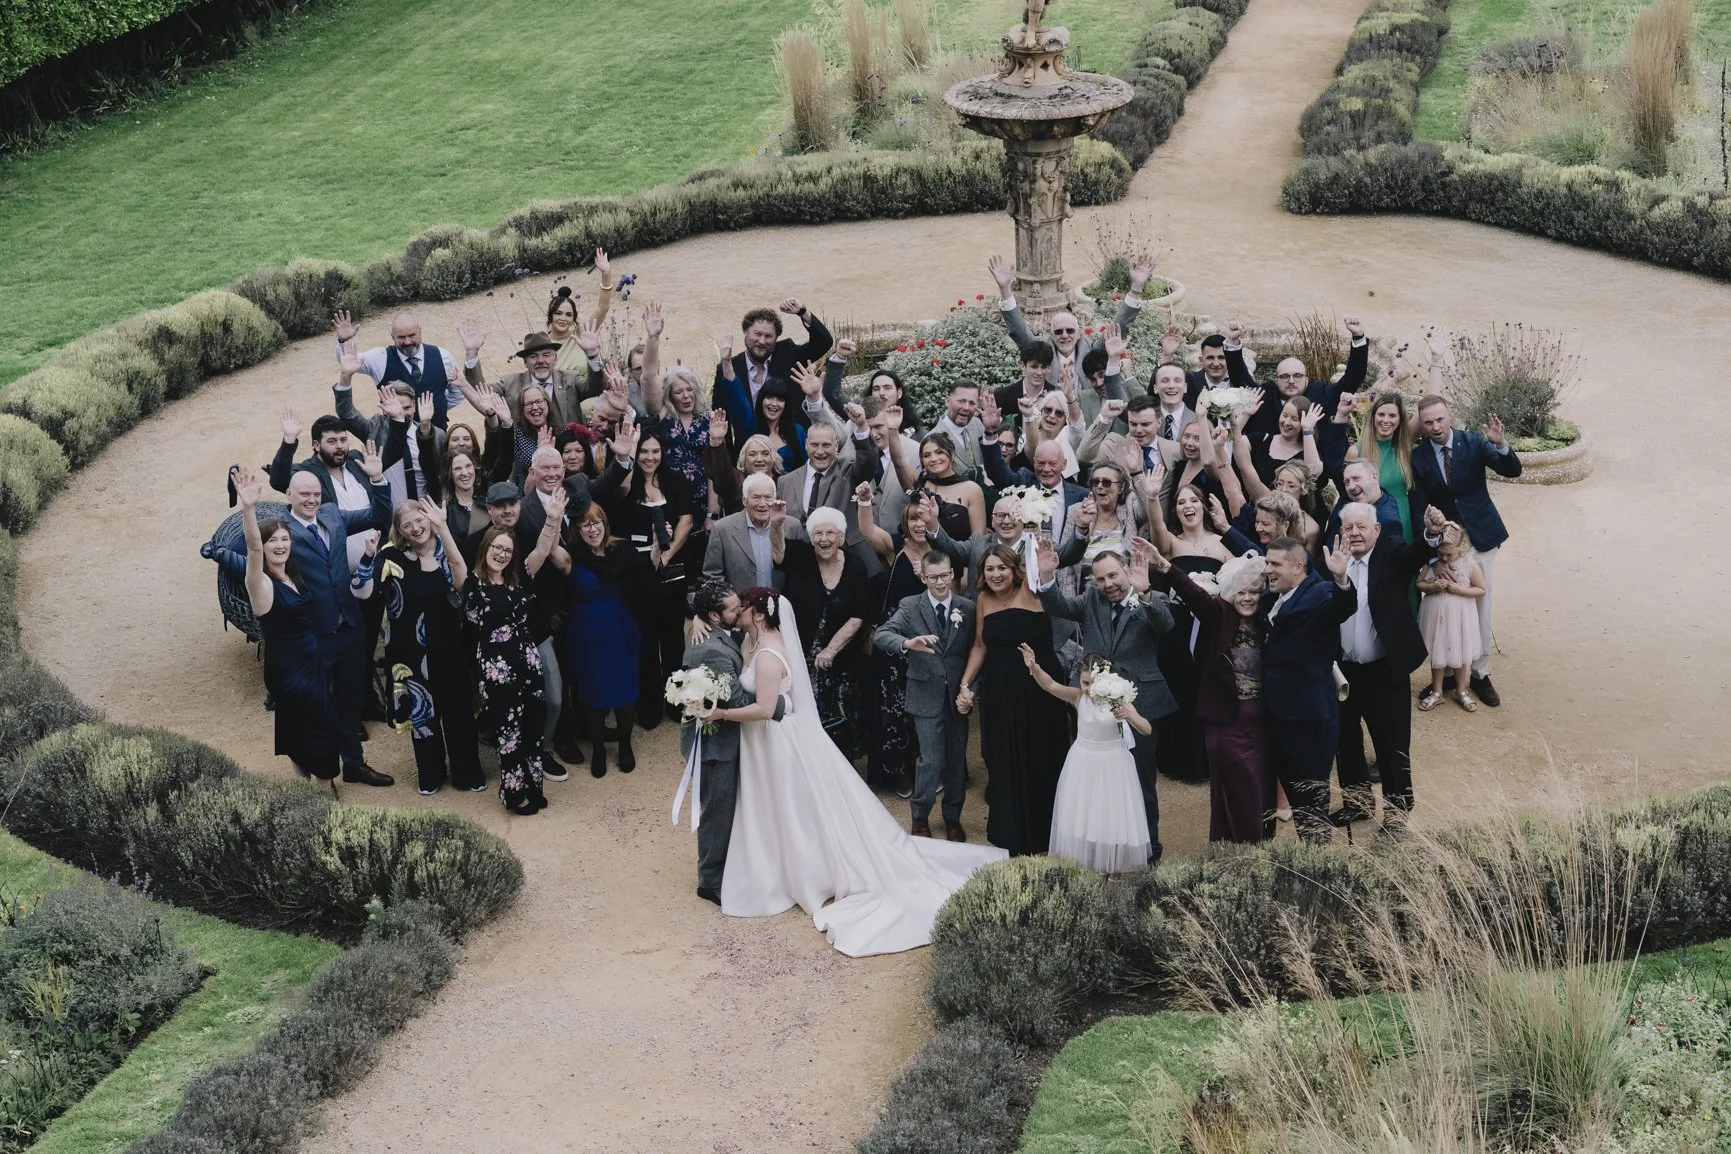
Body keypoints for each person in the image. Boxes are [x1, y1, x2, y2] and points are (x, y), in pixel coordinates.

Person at [707, 587, 1007, 957]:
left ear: (756, 612)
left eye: (741, 607)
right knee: (777, 804)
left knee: (790, 804)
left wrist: (721, 714)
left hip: (776, 739)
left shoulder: (768, 654)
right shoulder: (750, 640)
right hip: (762, 743)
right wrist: (701, 623)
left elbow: (767, 709)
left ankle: (803, 870)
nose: (735, 612)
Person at [1035, 538, 1175, 859]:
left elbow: (1165, 624)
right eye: (1100, 579)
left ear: (1126, 570)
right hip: (1093, 703)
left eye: (1113, 576)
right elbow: (1059, 607)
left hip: (1139, 702)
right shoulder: (1091, 599)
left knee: (1140, 780)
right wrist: (1046, 576)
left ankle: (1147, 849)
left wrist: (1144, 591)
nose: (1107, 584)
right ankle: (1101, 847)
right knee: (1097, 780)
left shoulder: (1151, 597)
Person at [231, 466, 356, 791]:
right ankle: (324, 787)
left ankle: (304, 784)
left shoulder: (293, 574)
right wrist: (248, 509)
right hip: (288, 670)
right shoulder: (260, 583)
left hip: (311, 661)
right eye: (273, 541)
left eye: (285, 539)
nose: (280, 546)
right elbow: (253, 548)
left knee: (297, 724)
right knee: (320, 722)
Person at [280, 442, 394, 787]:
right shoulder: (281, 532)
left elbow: (377, 515)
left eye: (316, 493)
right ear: (289, 494)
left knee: (349, 701)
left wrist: (378, 481)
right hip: (314, 634)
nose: (312, 499)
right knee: (320, 706)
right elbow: (255, 556)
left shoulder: (331, 514)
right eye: (304, 494)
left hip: (350, 627)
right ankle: (324, 772)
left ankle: (354, 765)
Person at [1328, 503, 1441, 832]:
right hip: (1343, 672)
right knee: (1346, 741)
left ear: (1376, 530)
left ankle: (1397, 810)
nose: (1354, 533)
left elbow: (1414, 554)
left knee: (1392, 743)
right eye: (1348, 527)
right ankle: (1358, 803)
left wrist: (1430, 533)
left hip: (1384, 670)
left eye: (1361, 526)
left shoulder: (1390, 552)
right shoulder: (1334, 562)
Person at [954, 544, 1072, 855]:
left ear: (1014, 569)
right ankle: (1011, 835)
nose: (996, 574)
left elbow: (1059, 592)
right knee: (1002, 756)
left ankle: (1049, 834)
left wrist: (1048, 567)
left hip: (1040, 687)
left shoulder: (1034, 589)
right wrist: (965, 683)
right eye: (989, 569)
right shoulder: (983, 599)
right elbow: (980, 645)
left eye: (1002, 568)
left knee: (1043, 755)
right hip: (1000, 691)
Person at [1410, 395, 1520, 707]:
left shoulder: (1473, 442)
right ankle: (1447, 672)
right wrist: (1433, 556)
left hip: (1481, 536)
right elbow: (1419, 507)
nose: (1435, 427)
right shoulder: (1418, 457)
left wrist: (1500, 444)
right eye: (1428, 422)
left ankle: (1480, 673)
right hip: (1446, 547)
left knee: (1481, 604)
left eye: (1439, 419)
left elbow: (1512, 470)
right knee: (1445, 608)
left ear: (1450, 415)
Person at [680, 580, 785, 904]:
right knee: (718, 810)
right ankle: (710, 881)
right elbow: (736, 699)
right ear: (715, 616)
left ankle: (727, 868)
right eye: (733, 608)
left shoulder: (720, 631)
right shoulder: (711, 650)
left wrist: (697, 617)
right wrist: (780, 702)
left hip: (728, 736)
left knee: (729, 806)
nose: (740, 610)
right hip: (716, 744)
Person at [1161, 552, 1276, 843]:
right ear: (1230, 594)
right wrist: (1166, 567)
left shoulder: (1266, 622)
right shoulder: (1220, 616)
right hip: (1227, 723)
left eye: (1253, 592)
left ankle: (1258, 848)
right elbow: (1194, 595)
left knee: (1260, 788)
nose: (1247, 598)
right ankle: (1236, 849)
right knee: (1237, 788)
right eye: (1241, 592)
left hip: (1261, 724)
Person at [857, 489, 964, 797]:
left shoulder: (945, 551)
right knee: (895, 706)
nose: (919, 524)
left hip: (931, 641)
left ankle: (931, 768)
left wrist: (930, 581)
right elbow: (867, 530)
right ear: (905, 523)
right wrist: (864, 501)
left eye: (924, 517)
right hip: (897, 642)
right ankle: (899, 771)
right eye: (913, 518)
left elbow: (957, 595)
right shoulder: (896, 547)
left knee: (930, 709)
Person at [592, 424, 695, 729]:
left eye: (655, 451)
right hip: (636, 571)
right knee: (645, 639)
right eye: (644, 452)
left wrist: (666, 554)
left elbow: (686, 521)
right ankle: (649, 705)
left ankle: (676, 701)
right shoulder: (629, 483)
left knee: (673, 638)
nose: (650, 457)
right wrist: (625, 455)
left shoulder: (675, 481)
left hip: (672, 569)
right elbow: (614, 493)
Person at [374, 496, 479, 795]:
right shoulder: (391, 556)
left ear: (430, 520)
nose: (415, 528)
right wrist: (369, 557)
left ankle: (467, 773)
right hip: (410, 651)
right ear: (399, 530)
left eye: (420, 520)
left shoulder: (448, 546)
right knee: (423, 713)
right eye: (407, 525)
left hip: (452, 645)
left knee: (459, 713)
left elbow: (463, 584)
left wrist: (443, 528)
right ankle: (431, 774)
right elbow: (366, 590)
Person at [1260, 536, 1359, 842]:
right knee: (1295, 798)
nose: (1268, 569)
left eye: (1275, 564)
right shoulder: (1275, 596)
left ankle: (1318, 864)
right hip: (1279, 718)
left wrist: (1341, 579)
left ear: (1298, 567)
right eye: (1267, 562)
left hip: (1309, 722)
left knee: (1312, 805)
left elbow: (1340, 606)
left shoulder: (1319, 593)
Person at [1021, 648, 1153, 873]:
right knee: (1083, 814)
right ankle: (1085, 865)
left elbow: (1146, 729)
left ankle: (1112, 868)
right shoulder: (1078, 697)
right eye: (1085, 683)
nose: (1089, 689)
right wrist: (1034, 667)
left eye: (1093, 683)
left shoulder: (1117, 699)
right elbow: (1050, 685)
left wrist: (1129, 714)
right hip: (1083, 763)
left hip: (1113, 765)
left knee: (1111, 816)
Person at [874, 551, 976, 841]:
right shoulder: (910, 606)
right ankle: (920, 816)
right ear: (924, 578)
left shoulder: (967, 607)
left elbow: (976, 651)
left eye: (944, 575)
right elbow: (881, 635)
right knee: (930, 760)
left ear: (952, 574)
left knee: (956, 760)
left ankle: (953, 817)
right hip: (924, 695)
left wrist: (970, 690)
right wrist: (908, 643)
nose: (940, 582)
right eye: (933, 577)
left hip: (957, 697)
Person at [464, 524, 554, 814]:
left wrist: (553, 519)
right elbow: (453, 558)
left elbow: (542, 551)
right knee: (508, 731)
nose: (501, 554)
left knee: (533, 725)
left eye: (507, 550)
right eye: (497, 547)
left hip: (527, 659)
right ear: (486, 548)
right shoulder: (472, 581)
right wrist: (440, 525)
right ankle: (514, 794)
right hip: (497, 667)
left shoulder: (516, 580)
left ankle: (532, 785)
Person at [990, 251, 1156, 389]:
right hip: (1052, 413)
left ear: (1078, 333)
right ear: (1051, 334)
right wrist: (1005, 290)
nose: (1064, 335)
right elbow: (1019, 331)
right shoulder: (1042, 350)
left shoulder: (1092, 349)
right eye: (1058, 331)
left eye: (1070, 330)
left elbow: (1118, 328)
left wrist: (1136, 288)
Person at [779, 507, 870, 760]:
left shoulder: (855, 565)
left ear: (841, 537)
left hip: (842, 661)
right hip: (801, 657)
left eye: (831, 533)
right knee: (805, 720)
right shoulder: (801, 557)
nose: (824, 539)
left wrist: (831, 649)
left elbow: (859, 614)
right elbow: (778, 553)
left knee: (841, 721)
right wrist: (776, 525)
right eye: (818, 533)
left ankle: (842, 770)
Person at [566, 503, 645, 776]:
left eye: (597, 522)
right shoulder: (572, 556)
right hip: (586, 636)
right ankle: (598, 748)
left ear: (605, 523)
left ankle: (625, 743)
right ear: (577, 530)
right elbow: (550, 553)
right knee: (594, 694)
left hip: (620, 629)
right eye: (585, 525)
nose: (592, 529)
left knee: (624, 691)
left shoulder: (622, 549)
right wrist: (552, 518)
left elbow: (644, 579)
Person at [712, 300, 833, 453]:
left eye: (768, 336)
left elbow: (824, 342)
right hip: (749, 452)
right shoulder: (729, 367)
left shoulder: (788, 354)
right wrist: (728, 459)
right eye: (757, 334)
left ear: (776, 338)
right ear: (745, 332)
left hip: (792, 449)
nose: (762, 341)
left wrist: (803, 312)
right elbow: (721, 416)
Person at [1225, 316, 1368, 440]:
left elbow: (1353, 377)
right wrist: (1233, 342)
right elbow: (1240, 379)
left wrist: (1358, 337)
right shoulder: (1264, 396)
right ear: (1276, 381)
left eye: (1297, 376)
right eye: (1285, 376)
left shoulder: (1321, 395)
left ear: (1307, 380)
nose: (1291, 381)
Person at [331, 310, 466, 428]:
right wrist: (343, 341)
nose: (407, 342)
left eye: (412, 335)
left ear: (420, 332)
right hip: (396, 439)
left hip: (437, 436)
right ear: (392, 337)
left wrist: (438, 407)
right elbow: (349, 361)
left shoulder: (443, 356)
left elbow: (459, 392)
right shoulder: (380, 358)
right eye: (401, 337)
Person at [454, 324, 591, 427]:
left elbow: (596, 386)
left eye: (546, 355)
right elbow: (482, 393)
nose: (540, 361)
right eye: (533, 356)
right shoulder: (509, 384)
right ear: (525, 362)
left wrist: (592, 354)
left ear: (555, 359)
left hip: (568, 452)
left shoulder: (571, 378)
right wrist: (472, 353)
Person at [1417, 522, 1486, 713]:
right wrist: (1432, 587)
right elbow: (1419, 583)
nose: (1445, 558)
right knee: (1437, 652)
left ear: (1461, 548)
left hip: (1460, 616)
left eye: (1449, 555)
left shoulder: (1469, 563)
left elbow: (1481, 589)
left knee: (1460, 652)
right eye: (1441, 554)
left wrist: (1459, 590)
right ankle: (1437, 691)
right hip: (1436, 615)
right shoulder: (1433, 563)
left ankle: (1461, 690)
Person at [703, 473, 808, 592]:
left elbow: (803, 572)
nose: (762, 504)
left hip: (782, 601)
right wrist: (731, 601)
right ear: (744, 500)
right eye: (756, 497)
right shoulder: (722, 529)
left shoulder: (793, 526)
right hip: (739, 602)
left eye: (768, 497)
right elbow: (713, 575)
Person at [545, 249, 615, 372]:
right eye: (558, 313)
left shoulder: (582, 335)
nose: (563, 318)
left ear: (573, 319)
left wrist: (606, 274)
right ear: (550, 316)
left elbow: (603, 307)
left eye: (569, 315)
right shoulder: (541, 344)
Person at [914, 432, 985, 541]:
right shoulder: (922, 485)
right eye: (927, 455)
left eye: (939, 452)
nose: (933, 459)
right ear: (922, 461)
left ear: (951, 454)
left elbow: (979, 540)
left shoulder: (972, 489)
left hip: (961, 550)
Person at [707, 427, 783, 518]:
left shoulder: (785, 482)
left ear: (774, 458)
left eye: (765, 453)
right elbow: (720, 472)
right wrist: (716, 442)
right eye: (752, 454)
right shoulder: (735, 480)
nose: (759, 459)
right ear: (744, 460)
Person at [929, 380, 987, 479]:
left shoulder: (977, 424)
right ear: (948, 401)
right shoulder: (932, 440)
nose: (966, 407)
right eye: (961, 401)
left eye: (972, 403)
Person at [441, 449, 489, 562]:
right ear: (450, 474)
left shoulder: (488, 499)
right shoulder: (445, 509)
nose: (465, 472)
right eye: (457, 468)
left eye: (468, 466)